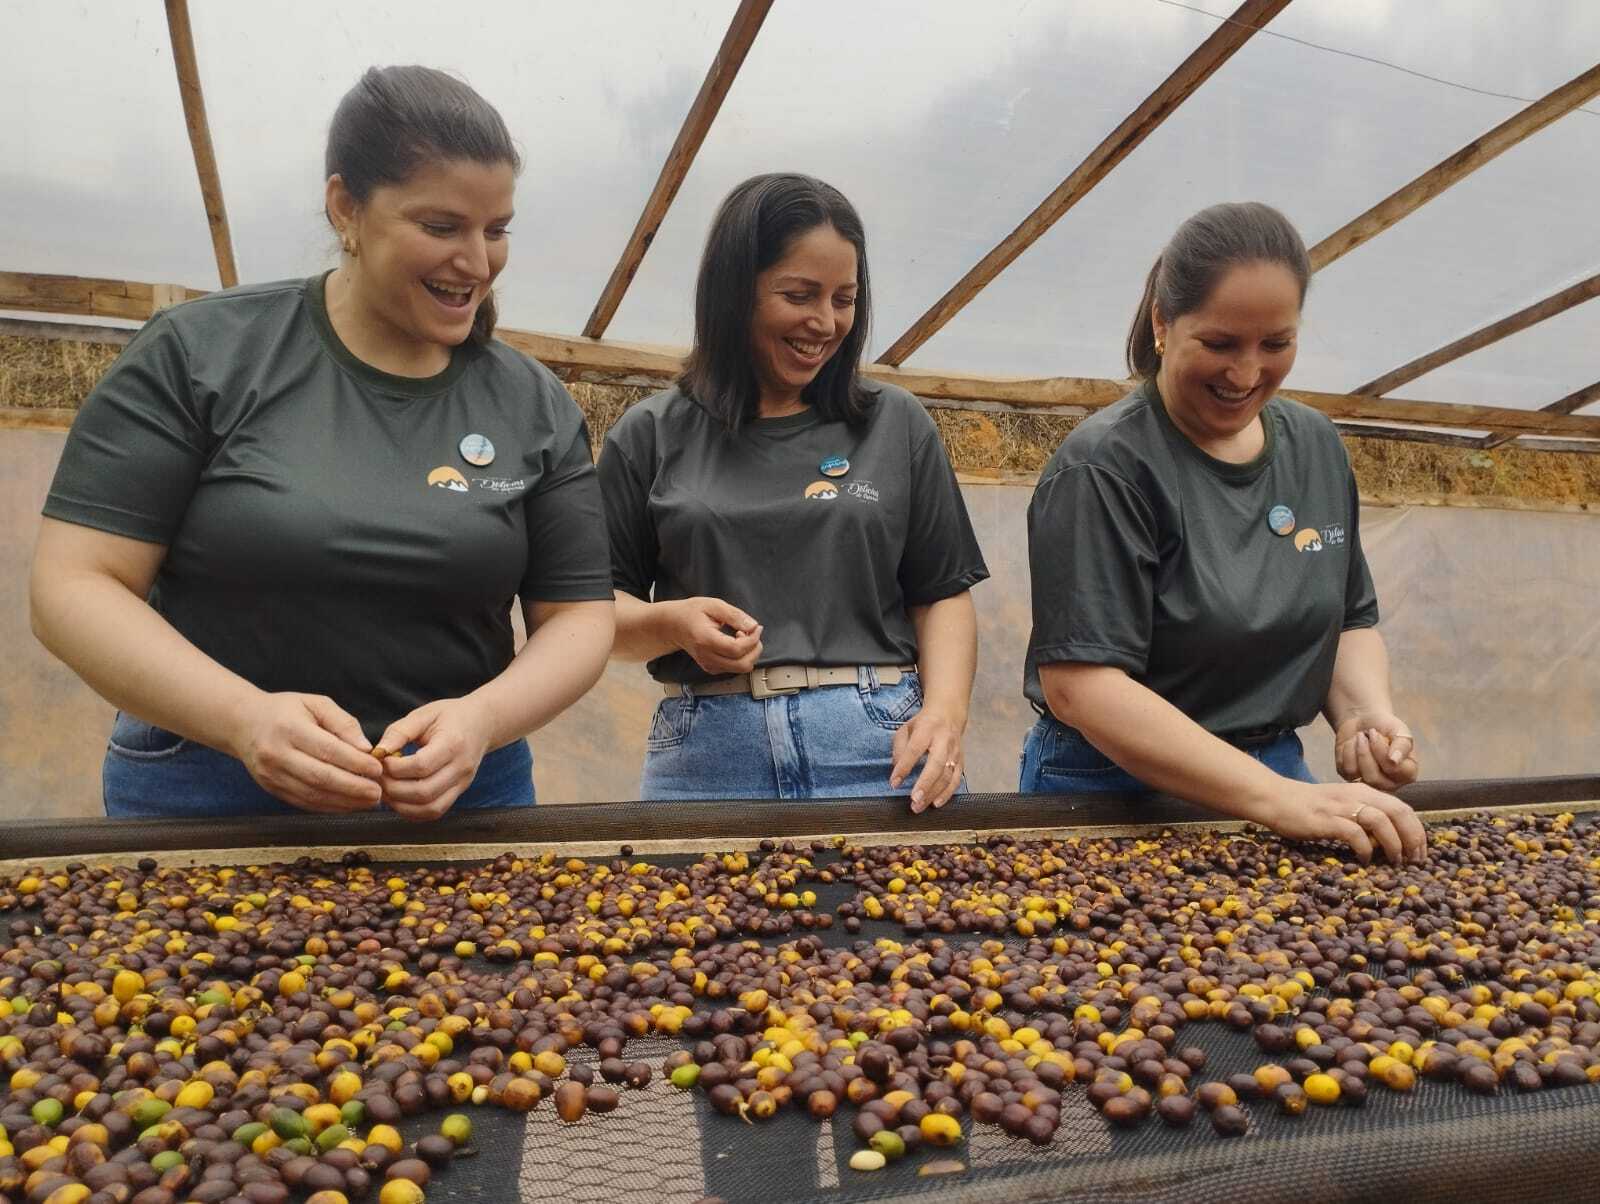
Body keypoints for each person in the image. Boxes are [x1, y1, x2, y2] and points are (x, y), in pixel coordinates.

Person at [30, 66, 615, 820]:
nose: (477, 262)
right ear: (346, 207)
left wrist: (483, 721)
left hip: (460, 796)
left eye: (495, 229)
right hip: (209, 789)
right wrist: (243, 719)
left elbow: (577, 617)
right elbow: (74, 586)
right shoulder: (204, 353)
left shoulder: (530, 401)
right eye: (441, 227)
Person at [1019, 201, 1426, 865]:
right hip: (1113, 791)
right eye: (1219, 344)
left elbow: (1347, 619)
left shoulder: (1316, 448)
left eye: (1276, 344)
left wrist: (1362, 715)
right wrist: (1278, 799)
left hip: (1274, 777)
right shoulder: (1106, 465)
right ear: (1161, 322)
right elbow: (1081, 685)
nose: (1245, 374)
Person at [598, 174, 988, 810]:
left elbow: (942, 591)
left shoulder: (895, 423)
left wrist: (945, 714)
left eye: (844, 298)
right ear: (734, 293)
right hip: (707, 757)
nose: (825, 322)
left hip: (883, 751)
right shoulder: (650, 434)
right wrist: (672, 623)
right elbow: (591, 616)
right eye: (799, 295)